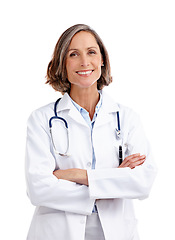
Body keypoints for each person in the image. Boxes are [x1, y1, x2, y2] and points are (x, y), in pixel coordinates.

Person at [25, 24, 157, 240]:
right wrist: (114, 181)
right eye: (73, 54)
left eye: (91, 52)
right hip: (58, 233)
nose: (84, 62)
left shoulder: (126, 118)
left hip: (117, 232)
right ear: (63, 63)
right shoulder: (42, 119)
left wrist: (78, 175)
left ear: (102, 59)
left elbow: (143, 182)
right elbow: (38, 188)